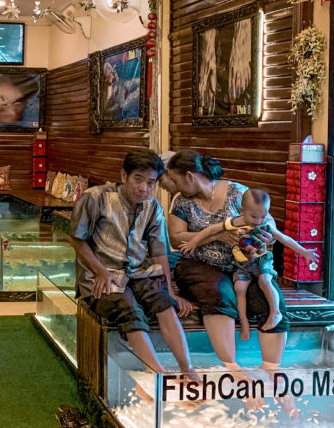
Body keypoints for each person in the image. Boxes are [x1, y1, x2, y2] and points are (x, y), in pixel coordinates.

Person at [163, 150, 292, 404]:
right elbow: (176, 237)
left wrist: (265, 237)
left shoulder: (238, 192)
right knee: (219, 293)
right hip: (198, 263)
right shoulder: (182, 202)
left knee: (267, 296)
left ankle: (273, 372)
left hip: (242, 265)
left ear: (189, 176)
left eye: (176, 181)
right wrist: (216, 235)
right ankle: (235, 371)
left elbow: (268, 224)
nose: (174, 187)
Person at [68, 150, 199, 382]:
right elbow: (77, 239)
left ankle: (187, 369)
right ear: (124, 175)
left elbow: (160, 254)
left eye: (151, 183)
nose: (144, 188)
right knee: (128, 308)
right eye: (138, 179)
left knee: (164, 304)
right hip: (99, 277)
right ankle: (160, 376)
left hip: (138, 274)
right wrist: (100, 270)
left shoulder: (154, 208)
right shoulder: (96, 198)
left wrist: (169, 292)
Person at [182, 188, 318, 339]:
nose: (258, 221)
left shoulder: (265, 224)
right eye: (253, 216)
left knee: (264, 281)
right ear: (242, 210)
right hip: (242, 264)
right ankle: (244, 324)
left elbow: (284, 238)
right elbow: (211, 230)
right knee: (239, 288)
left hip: (262, 261)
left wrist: (304, 252)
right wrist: (193, 242)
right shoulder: (233, 222)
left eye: (263, 216)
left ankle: (276, 312)